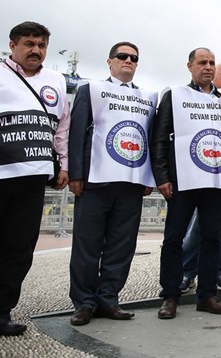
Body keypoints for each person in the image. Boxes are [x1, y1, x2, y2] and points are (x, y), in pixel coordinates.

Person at [67, 42, 156, 326]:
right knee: (87, 246)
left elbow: (149, 139)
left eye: (134, 58)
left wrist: (149, 178)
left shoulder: (147, 98)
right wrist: (76, 175)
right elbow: (77, 132)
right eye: (123, 56)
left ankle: (108, 299)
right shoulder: (91, 91)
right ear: (110, 61)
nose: (128, 60)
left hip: (130, 184)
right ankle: (84, 302)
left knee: (121, 246)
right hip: (96, 182)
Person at [150, 48, 221, 319]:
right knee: (174, 239)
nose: (209, 67)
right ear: (189, 66)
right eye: (202, 62)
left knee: (212, 237)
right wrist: (163, 176)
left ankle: (207, 295)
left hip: (215, 181)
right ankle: (170, 296)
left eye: (212, 62)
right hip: (182, 181)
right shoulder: (175, 96)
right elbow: (159, 137)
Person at [0, 21, 69, 337]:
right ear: (13, 45)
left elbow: (62, 128)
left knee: (19, 248)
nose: (36, 50)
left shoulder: (55, 80)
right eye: (29, 44)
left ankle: (1, 311)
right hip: (2, 173)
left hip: (32, 178)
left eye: (41, 45)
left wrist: (64, 164)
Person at [179, 62, 221, 294]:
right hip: (200, 172)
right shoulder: (193, 98)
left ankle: (218, 271)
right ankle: (186, 272)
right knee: (197, 226)